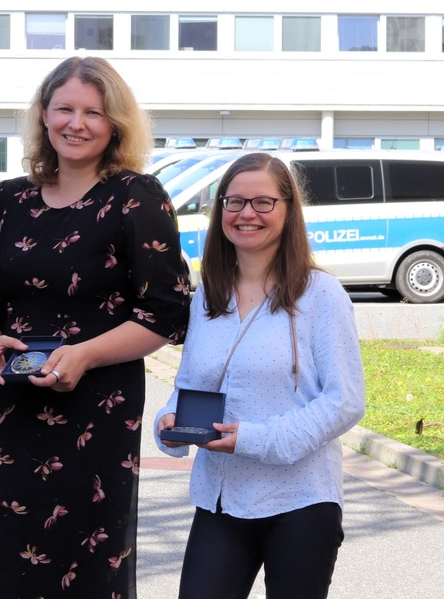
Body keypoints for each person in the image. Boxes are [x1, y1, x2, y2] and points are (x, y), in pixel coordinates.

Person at [0, 56, 191, 599]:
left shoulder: (137, 195)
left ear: (115, 125)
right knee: (2, 555)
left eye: (93, 112)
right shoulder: (10, 198)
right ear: (43, 115)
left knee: (83, 562)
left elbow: (165, 313)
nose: (76, 123)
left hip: (96, 410)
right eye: (64, 109)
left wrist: (83, 356)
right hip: (12, 408)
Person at [154, 152, 365, 599]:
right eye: (234, 202)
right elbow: (190, 386)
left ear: (288, 212)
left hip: (301, 500)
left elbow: (344, 400)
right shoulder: (208, 296)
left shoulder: (321, 294)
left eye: (263, 203)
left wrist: (254, 439)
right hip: (221, 498)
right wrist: (169, 425)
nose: (247, 213)